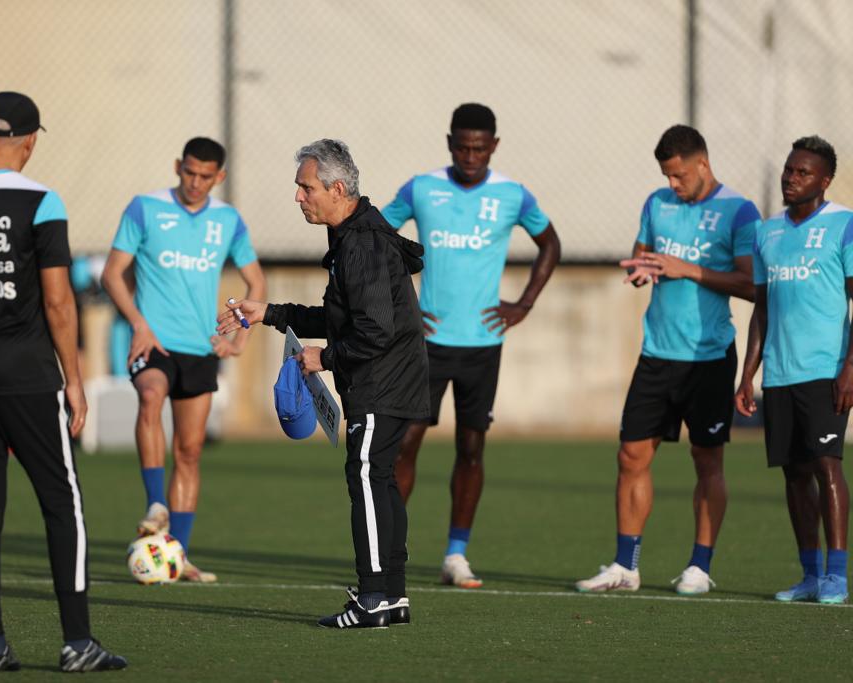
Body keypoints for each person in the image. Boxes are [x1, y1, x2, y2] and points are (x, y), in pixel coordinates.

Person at [0, 91, 126, 672]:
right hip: (28, 375)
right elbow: (60, 303)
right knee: (62, 503)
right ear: (31, 140)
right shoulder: (41, 200)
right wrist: (76, 381)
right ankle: (77, 642)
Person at [218, 139, 430, 629]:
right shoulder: (352, 235)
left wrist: (326, 357)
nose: (298, 197)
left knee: (365, 476)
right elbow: (344, 317)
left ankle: (375, 596)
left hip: (383, 382)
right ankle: (391, 596)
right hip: (387, 380)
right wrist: (268, 312)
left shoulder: (361, 243)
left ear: (337, 188)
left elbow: (375, 329)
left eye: (305, 187)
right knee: (377, 478)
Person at [382, 103, 561, 588]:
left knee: (472, 447)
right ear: (449, 143)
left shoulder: (512, 194)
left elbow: (551, 245)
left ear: (494, 147)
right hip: (426, 344)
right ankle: (390, 551)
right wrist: (403, 307)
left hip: (483, 343)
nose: (470, 155)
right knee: (405, 445)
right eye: (462, 146)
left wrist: (523, 304)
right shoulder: (421, 188)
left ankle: (456, 555)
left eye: (480, 148)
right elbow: (375, 238)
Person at [575, 124, 760, 595]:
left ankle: (700, 567)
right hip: (657, 353)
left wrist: (687, 270)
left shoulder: (739, 211)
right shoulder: (657, 204)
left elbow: (750, 284)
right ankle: (626, 566)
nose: (673, 185)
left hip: (709, 356)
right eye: (667, 176)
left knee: (707, 460)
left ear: (702, 163)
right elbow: (644, 253)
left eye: (679, 176)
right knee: (631, 455)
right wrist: (641, 269)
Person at [101, 137, 265, 583]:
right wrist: (137, 322)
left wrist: (239, 341)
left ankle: (179, 556)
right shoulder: (145, 208)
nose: (194, 182)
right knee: (151, 394)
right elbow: (112, 274)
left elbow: (256, 285)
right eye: (188, 172)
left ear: (219, 177)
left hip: (200, 348)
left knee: (189, 451)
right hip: (153, 342)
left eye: (204, 176)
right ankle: (156, 504)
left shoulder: (228, 221)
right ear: (178, 166)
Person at [736, 136, 851, 605]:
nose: (791, 177)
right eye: (788, 169)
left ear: (824, 181)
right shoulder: (766, 233)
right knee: (793, 474)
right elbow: (761, 309)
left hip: (825, 370)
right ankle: (808, 575)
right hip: (779, 373)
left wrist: (850, 367)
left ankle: (837, 576)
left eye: (802, 172)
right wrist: (748, 375)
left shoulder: (844, 225)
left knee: (827, 465)